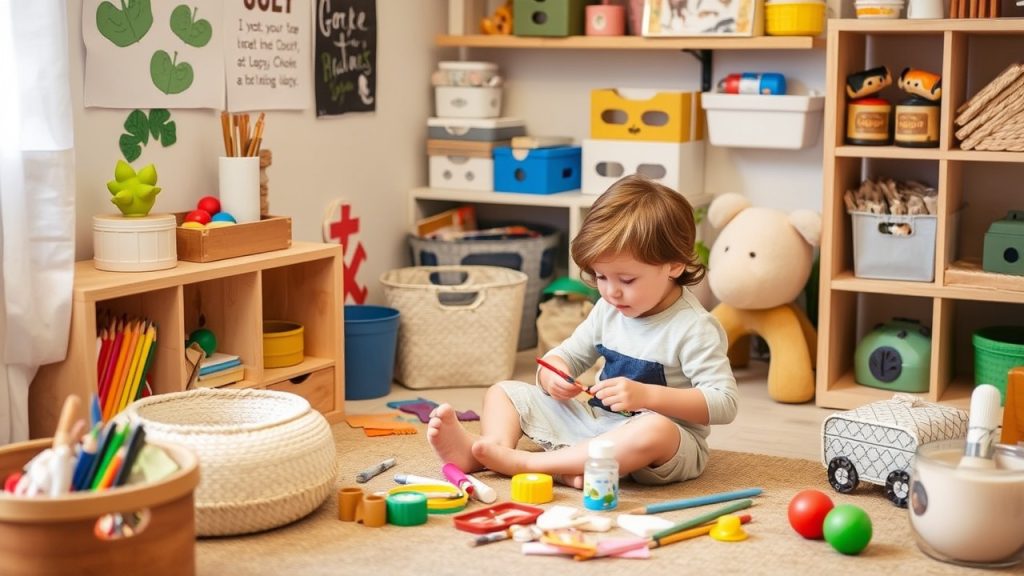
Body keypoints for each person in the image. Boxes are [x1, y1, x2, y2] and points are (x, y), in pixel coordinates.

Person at [427, 174, 738, 488]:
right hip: (597, 426)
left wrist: (647, 396)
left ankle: (531, 464)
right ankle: (491, 450)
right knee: (503, 392)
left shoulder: (695, 327)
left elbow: (724, 403)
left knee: (655, 428)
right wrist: (554, 376)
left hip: (665, 448)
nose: (611, 292)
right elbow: (564, 356)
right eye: (601, 276)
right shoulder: (609, 308)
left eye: (627, 280)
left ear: (674, 265)